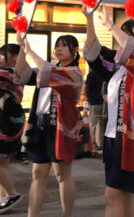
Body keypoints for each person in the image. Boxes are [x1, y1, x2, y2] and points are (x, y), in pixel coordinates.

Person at [82, 5, 134, 217]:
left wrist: (110, 24)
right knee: (124, 194)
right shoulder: (116, 66)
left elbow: (133, 51)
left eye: (128, 34)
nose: (121, 39)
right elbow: (93, 51)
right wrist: (89, 19)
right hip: (113, 136)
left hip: (131, 138)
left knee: (112, 195)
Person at [16, 34, 84, 217]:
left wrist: (30, 50)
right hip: (40, 124)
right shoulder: (47, 69)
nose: (59, 49)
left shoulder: (75, 72)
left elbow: (49, 72)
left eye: (64, 45)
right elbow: (21, 75)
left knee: (62, 174)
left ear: (75, 50)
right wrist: (22, 48)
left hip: (60, 127)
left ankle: (66, 215)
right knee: (37, 172)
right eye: (57, 46)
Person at [0, 44, 24, 213]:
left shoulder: (11, 73)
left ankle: (11, 194)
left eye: (3, 54)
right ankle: (4, 199)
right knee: (3, 164)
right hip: (7, 121)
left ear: (15, 57)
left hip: (7, 123)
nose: (0, 57)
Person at [84, 70, 105, 152]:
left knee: (93, 124)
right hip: (102, 102)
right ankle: (101, 143)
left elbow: (86, 87)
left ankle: (93, 143)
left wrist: (87, 97)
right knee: (101, 124)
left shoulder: (91, 74)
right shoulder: (103, 73)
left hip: (93, 102)